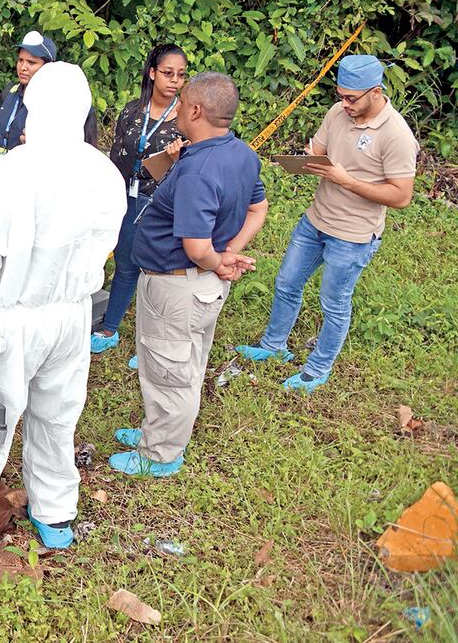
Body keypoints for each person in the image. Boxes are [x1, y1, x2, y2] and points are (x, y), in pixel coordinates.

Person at [0, 62, 125, 565]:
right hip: (72, 315)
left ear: (33, 107)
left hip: (11, 321)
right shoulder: (104, 172)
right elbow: (103, 246)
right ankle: (56, 513)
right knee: (58, 418)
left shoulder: (12, 171)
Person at [109, 71, 267, 477]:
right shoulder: (239, 154)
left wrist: (216, 258)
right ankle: (161, 431)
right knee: (186, 361)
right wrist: (229, 253)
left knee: (168, 371)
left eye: (181, 104)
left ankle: (159, 454)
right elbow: (257, 209)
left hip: (177, 283)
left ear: (196, 110)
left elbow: (196, 248)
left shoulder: (200, 171)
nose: (176, 108)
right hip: (203, 286)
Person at [236, 55, 418, 393]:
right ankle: (274, 346)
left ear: (376, 92)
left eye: (351, 98)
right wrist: (306, 159)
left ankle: (317, 369)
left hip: (353, 236)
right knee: (286, 283)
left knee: (334, 303)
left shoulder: (396, 135)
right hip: (316, 220)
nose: (343, 104)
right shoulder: (337, 113)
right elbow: (318, 149)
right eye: (340, 95)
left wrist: (345, 180)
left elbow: (401, 196)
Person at [92, 44, 188, 359]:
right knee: (125, 261)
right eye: (167, 73)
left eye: (181, 75)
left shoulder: (185, 121)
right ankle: (110, 328)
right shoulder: (133, 111)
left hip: (158, 202)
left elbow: (192, 173)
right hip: (123, 196)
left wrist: (174, 162)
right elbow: (115, 153)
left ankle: (155, 341)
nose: (174, 80)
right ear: (152, 73)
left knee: (155, 271)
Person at [0, 31, 96, 180]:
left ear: (48, 67)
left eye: (31, 62)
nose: (23, 67)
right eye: (20, 60)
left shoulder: (59, 102)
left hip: (29, 180)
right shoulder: (10, 92)